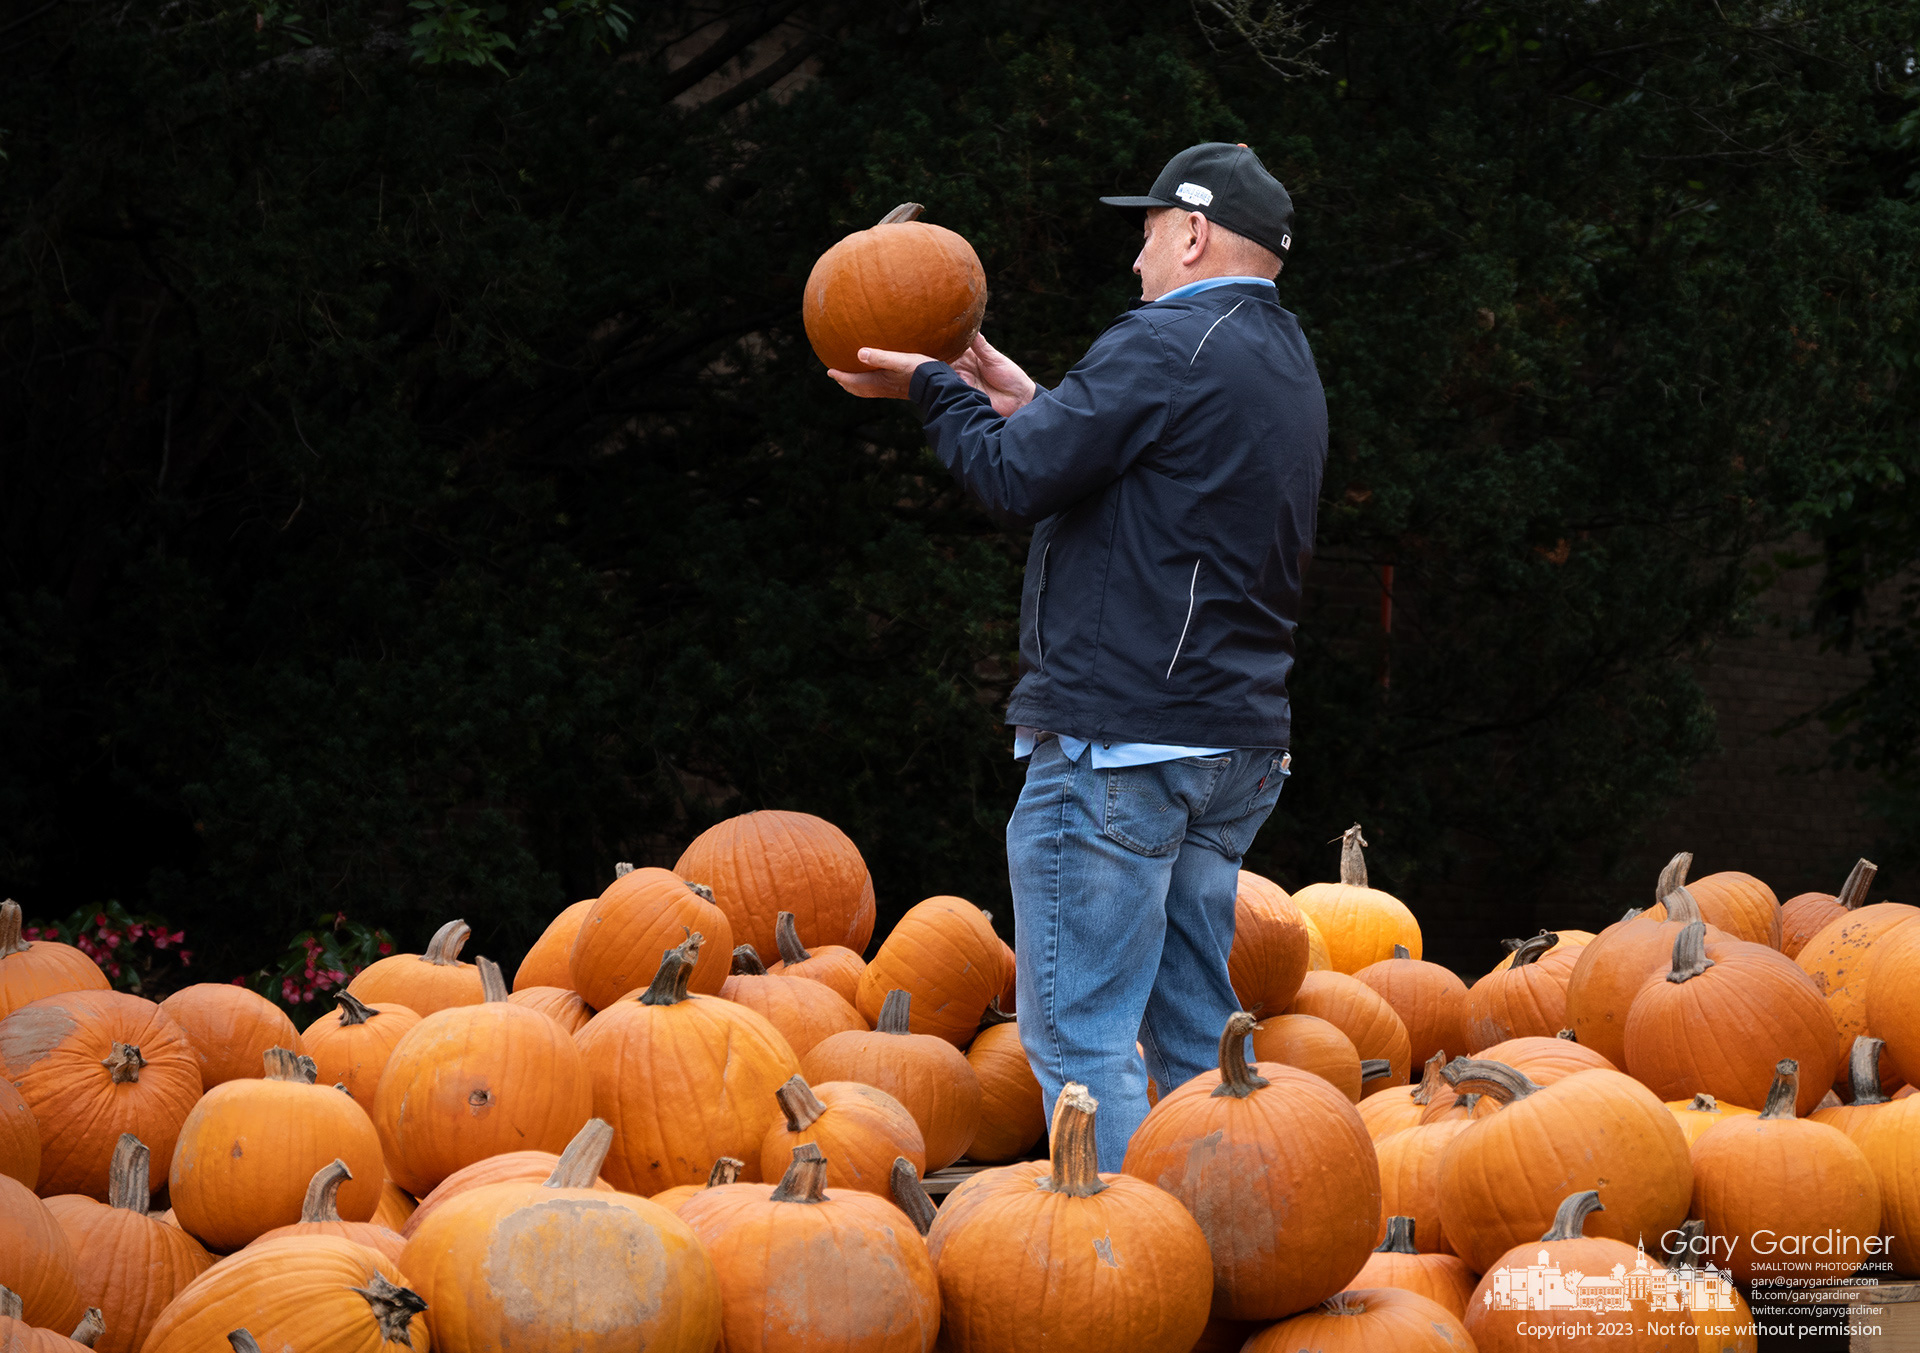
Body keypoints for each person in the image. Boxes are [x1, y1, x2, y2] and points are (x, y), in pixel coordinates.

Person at [829, 142, 1327, 1168]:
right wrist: (1033, 398)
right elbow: (1147, 471)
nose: (1136, 259)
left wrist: (936, 388)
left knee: (1080, 1033)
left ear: (1191, 232)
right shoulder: (1280, 360)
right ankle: (1225, 1258)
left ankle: (1124, 1268)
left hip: (1123, 742)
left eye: (1145, 233)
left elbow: (1014, 480)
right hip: (1231, 748)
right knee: (1198, 1034)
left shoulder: (1163, 338)